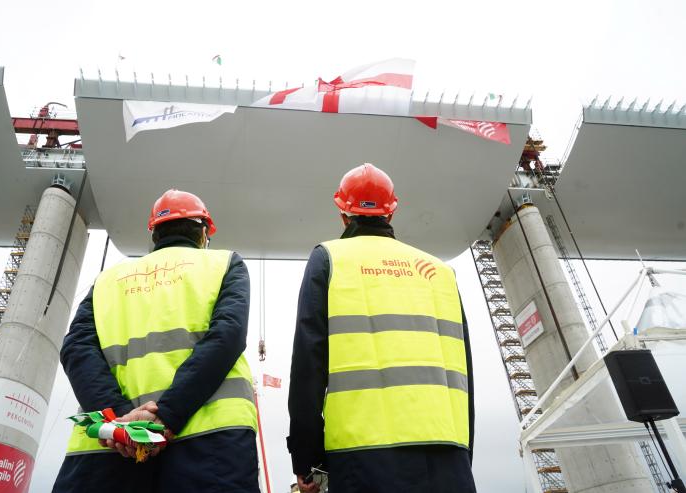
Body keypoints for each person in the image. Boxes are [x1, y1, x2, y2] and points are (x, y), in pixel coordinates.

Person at [53, 189, 259, 493]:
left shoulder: (106, 282)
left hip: (109, 449)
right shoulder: (224, 264)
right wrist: (164, 416)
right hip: (209, 442)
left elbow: (76, 348)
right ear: (203, 232)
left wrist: (122, 423)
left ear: (155, 234)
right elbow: (227, 336)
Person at [287, 163, 476, 493]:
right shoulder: (440, 272)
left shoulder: (329, 259)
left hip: (361, 457)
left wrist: (309, 463)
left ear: (343, 214)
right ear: (391, 213)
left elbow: (307, 368)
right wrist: (462, 453)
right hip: (448, 457)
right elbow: (464, 377)